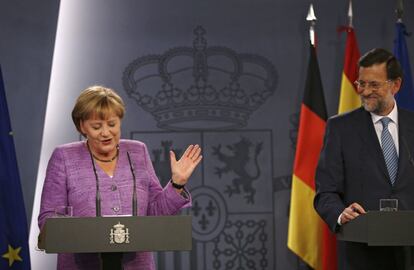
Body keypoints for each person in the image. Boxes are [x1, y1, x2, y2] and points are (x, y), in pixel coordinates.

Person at [38, 85, 202, 270]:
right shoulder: (64, 157)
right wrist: (80, 233)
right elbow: (48, 218)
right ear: (82, 126)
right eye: (96, 126)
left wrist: (177, 183)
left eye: (112, 124)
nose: (106, 133)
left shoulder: (138, 151)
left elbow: (155, 213)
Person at [314, 48, 414, 270]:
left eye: (374, 85)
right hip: (363, 254)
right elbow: (325, 192)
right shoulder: (340, 128)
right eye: (361, 83)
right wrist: (341, 213)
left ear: (395, 85)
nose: (365, 91)